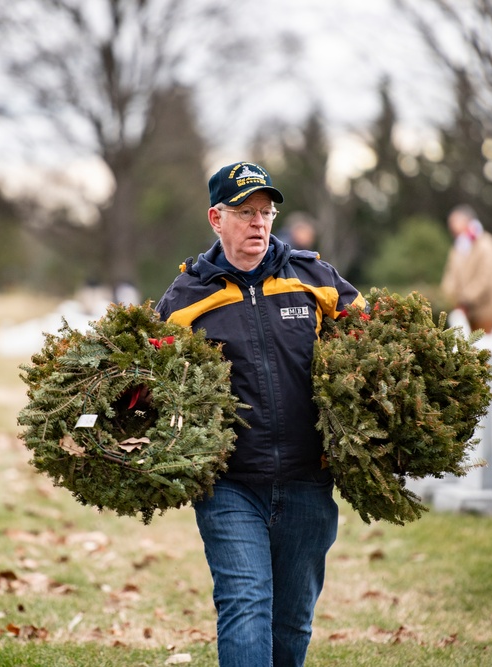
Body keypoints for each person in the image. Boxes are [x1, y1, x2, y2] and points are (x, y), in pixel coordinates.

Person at [156, 161, 364, 667]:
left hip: (308, 481)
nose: (258, 222)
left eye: (266, 212)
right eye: (244, 211)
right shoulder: (185, 300)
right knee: (246, 606)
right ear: (215, 218)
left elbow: (375, 345)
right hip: (230, 484)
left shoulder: (315, 278)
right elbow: (153, 388)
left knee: (290, 624)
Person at [439, 204, 492, 333]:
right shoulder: (459, 247)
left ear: (466, 221)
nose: (450, 226)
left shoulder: (486, 244)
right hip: (466, 312)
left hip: (487, 312)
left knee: (485, 348)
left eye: (454, 221)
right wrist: (445, 298)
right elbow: (450, 276)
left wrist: (464, 299)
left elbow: (485, 279)